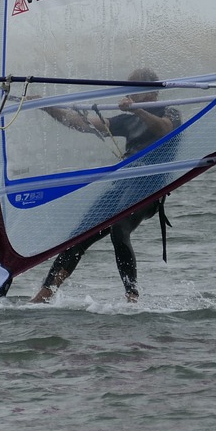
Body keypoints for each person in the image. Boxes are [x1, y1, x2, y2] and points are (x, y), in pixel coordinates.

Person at [30, 68, 182, 304]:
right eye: (128, 89)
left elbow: (164, 129)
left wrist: (138, 110)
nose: (130, 94)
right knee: (80, 235)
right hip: (124, 186)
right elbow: (83, 123)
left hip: (150, 188)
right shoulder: (127, 119)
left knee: (119, 227)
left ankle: (132, 297)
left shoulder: (171, 112)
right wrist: (47, 106)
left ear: (152, 92)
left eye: (136, 89)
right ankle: (44, 295)